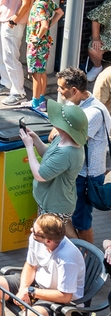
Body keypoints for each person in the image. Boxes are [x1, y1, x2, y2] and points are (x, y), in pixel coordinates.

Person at [0, 212, 85, 316]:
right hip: (36, 286)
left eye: (34, 231)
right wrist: (23, 289)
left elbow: (65, 296)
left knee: (30, 315)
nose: (31, 230)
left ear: (48, 241)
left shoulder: (67, 259)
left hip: (59, 299)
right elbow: (30, 265)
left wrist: (31, 291)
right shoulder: (37, 239)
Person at [59, 68, 111, 243]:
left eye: (61, 88)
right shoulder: (74, 103)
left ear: (74, 90)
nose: (58, 91)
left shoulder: (93, 112)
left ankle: (87, 255)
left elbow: (75, 141)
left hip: (87, 175)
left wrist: (58, 130)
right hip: (77, 171)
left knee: (82, 221)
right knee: (72, 215)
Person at [21, 99, 88, 220]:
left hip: (55, 207)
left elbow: (40, 175)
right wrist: (35, 139)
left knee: (47, 233)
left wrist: (29, 147)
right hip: (50, 202)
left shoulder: (67, 153)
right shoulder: (63, 138)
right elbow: (49, 156)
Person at [28, 0, 66, 111]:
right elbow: (60, 12)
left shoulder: (39, 5)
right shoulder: (47, 1)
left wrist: (37, 37)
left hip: (37, 44)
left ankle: (35, 103)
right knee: (42, 72)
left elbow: (43, 25)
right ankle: (41, 101)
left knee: (35, 74)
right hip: (45, 43)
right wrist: (50, 25)